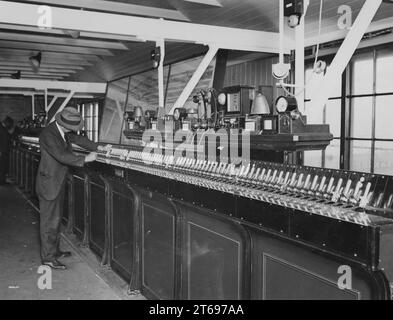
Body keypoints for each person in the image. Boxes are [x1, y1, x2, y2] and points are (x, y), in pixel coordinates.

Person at [36, 107, 110, 270]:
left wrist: (98, 147)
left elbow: (78, 139)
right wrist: (86, 158)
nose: (73, 130)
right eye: (72, 127)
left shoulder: (60, 130)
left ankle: (54, 251)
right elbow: (61, 155)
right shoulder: (49, 134)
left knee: (55, 219)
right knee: (49, 222)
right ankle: (48, 258)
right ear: (65, 125)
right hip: (49, 184)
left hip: (56, 181)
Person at [0, 116, 14, 185]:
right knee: (2, 166)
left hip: (3, 150)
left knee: (3, 166)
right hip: (2, 151)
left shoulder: (2, 128)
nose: (10, 126)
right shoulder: (2, 129)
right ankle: (2, 181)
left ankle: (2, 180)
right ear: (7, 123)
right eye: (10, 125)